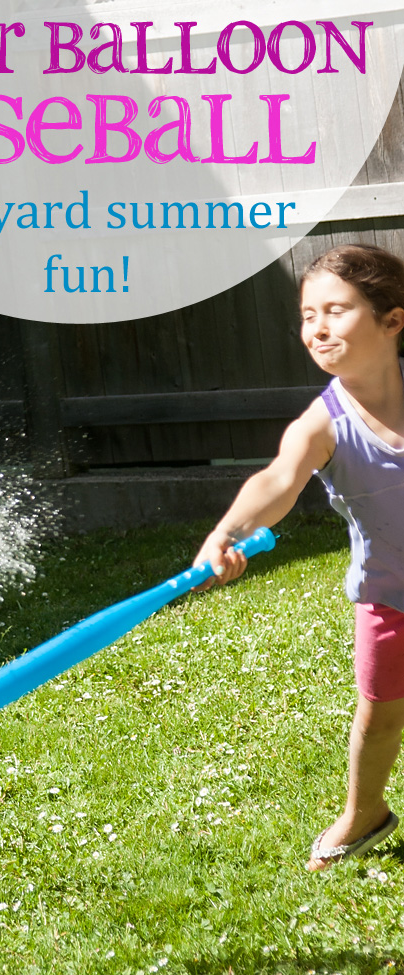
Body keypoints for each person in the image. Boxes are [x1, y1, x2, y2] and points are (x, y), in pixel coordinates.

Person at [192, 243, 404, 871]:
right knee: (380, 714)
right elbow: (277, 481)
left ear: (392, 320)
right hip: (391, 596)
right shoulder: (323, 424)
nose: (317, 327)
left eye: (336, 311)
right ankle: (364, 811)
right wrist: (227, 531)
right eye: (308, 314)